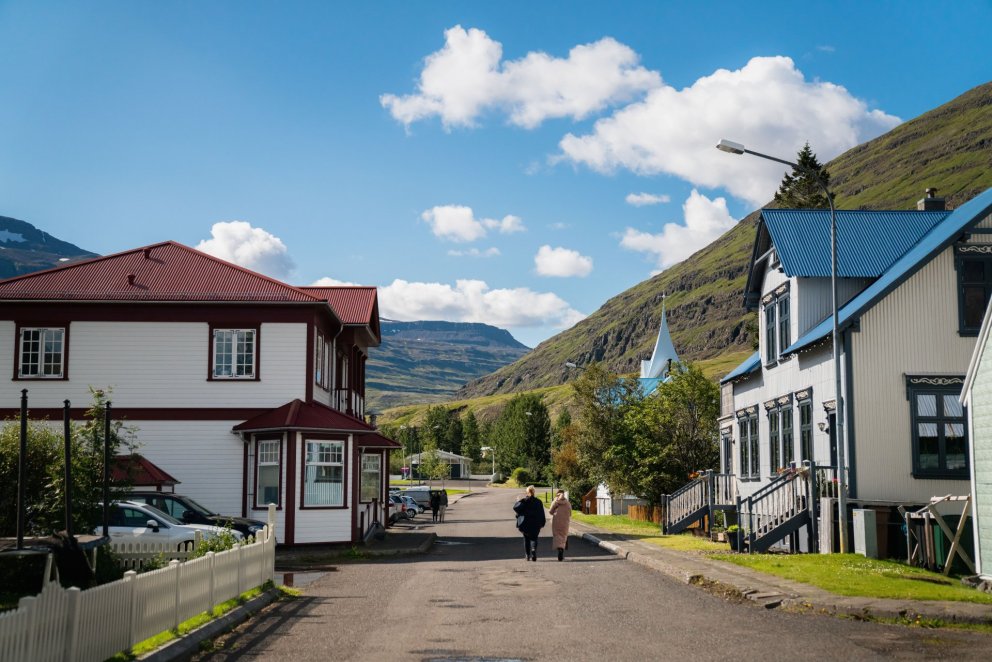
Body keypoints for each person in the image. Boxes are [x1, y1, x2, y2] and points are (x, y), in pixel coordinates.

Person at [513, 485, 546, 561]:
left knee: (526, 539)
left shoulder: (524, 501)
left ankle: (527, 555)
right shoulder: (538, 502)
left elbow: (515, 508)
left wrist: (519, 501)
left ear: (527, 492)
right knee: (534, 538)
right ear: (534, 492)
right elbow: (542, 513)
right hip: (536, 523)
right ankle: (533, 550)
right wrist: (542, 523)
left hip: (525, 523)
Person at [549, 489, 572, 561]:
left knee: (557, 536)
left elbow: (550, 511)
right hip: (565, 522)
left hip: (556, 522)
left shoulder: (555, 502)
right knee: (563, 536)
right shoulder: (568, 503)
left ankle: (559, 549)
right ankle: (561, 550)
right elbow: (570, 513)